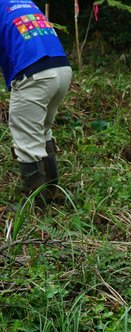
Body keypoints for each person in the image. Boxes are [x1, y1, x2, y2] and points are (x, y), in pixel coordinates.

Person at [0, 0, 72, 200]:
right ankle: (51, 193)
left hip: (35, 74)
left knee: (26, 140)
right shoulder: (24, 2)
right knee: (42, 130)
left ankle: (36, 206)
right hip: (62, 69)